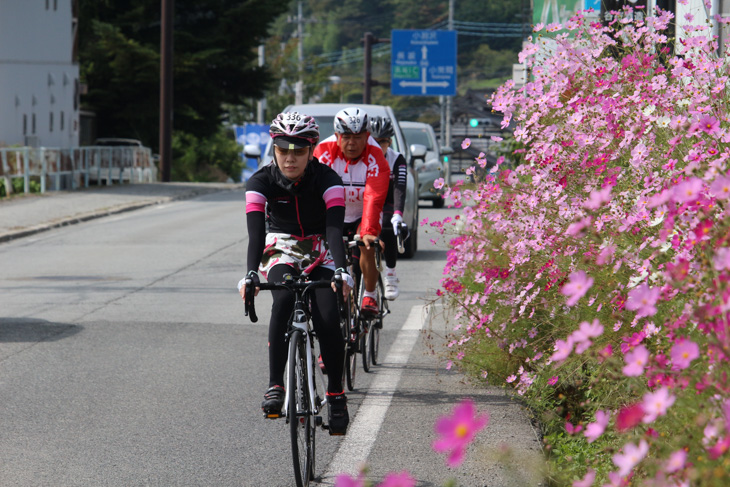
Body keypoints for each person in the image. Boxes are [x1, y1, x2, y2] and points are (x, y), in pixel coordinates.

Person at [238, 111, 354, 435]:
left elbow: (334, 232)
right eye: (283, 149)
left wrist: (342, 271)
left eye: (299, 150)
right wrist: (250, 275)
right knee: (283, 299)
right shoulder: (259, 182)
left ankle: (336, 394)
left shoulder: (329, 180)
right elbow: (256, 236)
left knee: (329, 317)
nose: (290, 157)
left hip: (322, 247)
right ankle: (276, 384)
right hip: (282, 247)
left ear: (312, 149)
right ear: (273, 147)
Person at [313, 107, 391, 316]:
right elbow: (314, 194)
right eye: (346, 137)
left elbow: (373, 198)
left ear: (367, 136)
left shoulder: (375, 156)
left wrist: (368, 231)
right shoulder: (323, 152)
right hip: (333, 213)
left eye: (358, 137)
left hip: (362, 213)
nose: (352, 143)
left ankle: (370, 295)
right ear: (337, 136)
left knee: (368, 245)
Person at [369, 116, 407, 301]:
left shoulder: (396, 159)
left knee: (388, 226)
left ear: (389, 142)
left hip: (388, 203)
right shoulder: (362, 157)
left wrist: (398, 214)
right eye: (374, 142)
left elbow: (400, 188)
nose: (378, 146)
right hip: (367, 201)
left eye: (383, 142)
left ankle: (390, 274)